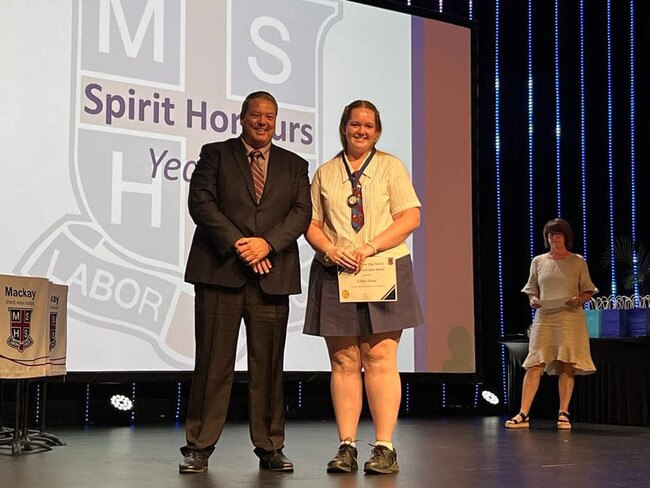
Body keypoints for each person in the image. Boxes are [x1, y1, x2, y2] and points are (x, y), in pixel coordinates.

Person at [179, 91, 311, 473]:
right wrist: (241, 244)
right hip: (220, 273)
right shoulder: (214, 154)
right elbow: (201, 202)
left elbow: (301, 213)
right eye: (256, 114)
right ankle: (199, 446)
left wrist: (267, 244)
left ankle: (270, 446)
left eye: (270, 116)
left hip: (272, 276)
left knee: (268, 367)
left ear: (276, 120)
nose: (263, 121)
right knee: (212, 364)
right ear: (242, 117)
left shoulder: (294, 164)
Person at [303, 100, 423, 474]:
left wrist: (370, 246)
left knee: (379, 359)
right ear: (343, 128)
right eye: (355, 124)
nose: (361, 131)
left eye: (369, 126)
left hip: (383, 269)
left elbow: (411, 216)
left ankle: (385, 447)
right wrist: (331, 249)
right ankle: (346, 446)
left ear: (378, 131)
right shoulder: (325, 173)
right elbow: (311, 223)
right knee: (344, 362)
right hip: (336, 271)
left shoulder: (390, 167)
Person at [505, 217, 597, 430]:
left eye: (558, 234)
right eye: (551, 234)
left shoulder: (577, 261)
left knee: (567, 362)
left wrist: (578, 300)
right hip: (545, 317)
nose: (554, 238)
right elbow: (531, 289)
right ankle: (523, 413)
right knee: (535, 363)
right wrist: (533, 300)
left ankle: (563, 412)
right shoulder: (538, 261)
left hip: (570, 318)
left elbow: (588, 290)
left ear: (566, 237)